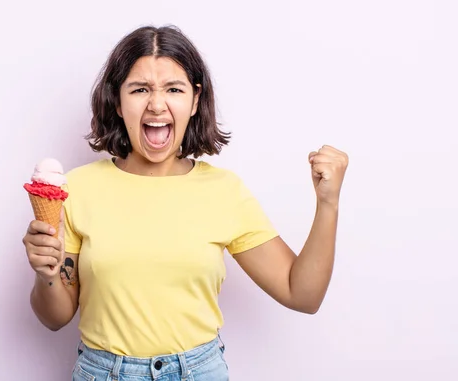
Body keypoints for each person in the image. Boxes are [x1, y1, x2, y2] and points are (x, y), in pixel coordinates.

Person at [22, 25, 349, 381]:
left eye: (173, 89)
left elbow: (302, 294)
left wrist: (327, 203)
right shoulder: (79, 188)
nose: (157, 104)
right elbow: (55, 318)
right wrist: (47, 275)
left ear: (194, 100)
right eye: (140, 89)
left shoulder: (224, 191)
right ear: (117, 100)